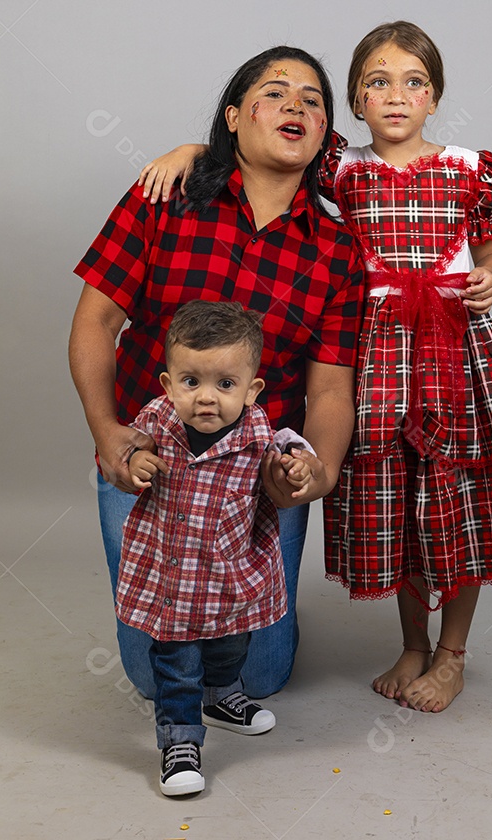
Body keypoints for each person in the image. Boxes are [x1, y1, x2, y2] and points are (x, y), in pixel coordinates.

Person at [139, 21, 492, 715]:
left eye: (414, 82)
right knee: (403, 500)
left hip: (451, 346)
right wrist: (190, 148)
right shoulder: (341, 169)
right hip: (379, 355)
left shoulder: (474, 171)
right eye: (377, 82)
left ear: (435, 97)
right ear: (355, 100)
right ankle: (414, 642)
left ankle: (453, 654)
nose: (396, 95)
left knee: (456, 498)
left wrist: (491, 278)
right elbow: (261, 152)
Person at [69, 46, 364, 703]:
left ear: (323, 132)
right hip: (148, 464)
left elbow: (330, 387)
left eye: (313, 100)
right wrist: (108, 432)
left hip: (257, 478)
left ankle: (263, 609)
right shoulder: (165, 197)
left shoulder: (339, 252)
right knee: (152, 681)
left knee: (259, 678)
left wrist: (320, 467)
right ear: (234, 117)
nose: (297, 105)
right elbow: (95, 325)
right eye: (276, 92)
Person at [118, 300, 315, 796]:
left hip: (229, 573)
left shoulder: (256, 428)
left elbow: (287, 447)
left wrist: (297, 464)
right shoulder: (158, 420)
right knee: (177, 663)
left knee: (233, 644)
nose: (207, 399)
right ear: (168, 385)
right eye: (191, 382)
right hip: (172, 577)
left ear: (251, 391)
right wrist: (136, 460)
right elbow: (128, 446)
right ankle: (179, 741)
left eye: (225, 385)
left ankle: (221, 695)